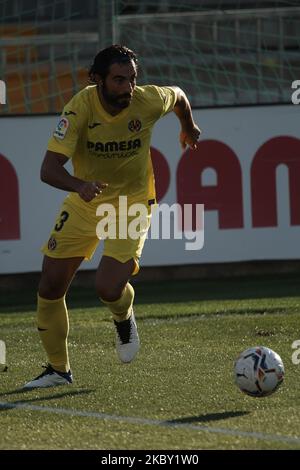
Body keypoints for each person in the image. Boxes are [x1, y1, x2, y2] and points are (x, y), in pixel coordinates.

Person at [23, 45, 201, 389]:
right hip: (86, 200)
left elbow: (178, 95)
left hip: (132, 202)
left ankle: (123, 315)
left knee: (107, 287)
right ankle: (59, 370)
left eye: (132, 79)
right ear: (96, 80)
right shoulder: (78, 110)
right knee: (50, 285)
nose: (128, 88)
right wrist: (79, 186)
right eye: (119, 80)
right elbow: (48, 169)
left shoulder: (147, 100)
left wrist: (188, 126)